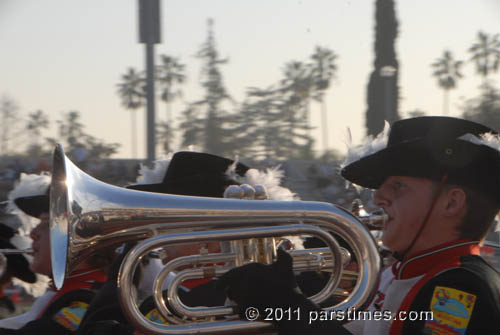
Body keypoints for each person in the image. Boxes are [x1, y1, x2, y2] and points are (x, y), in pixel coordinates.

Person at [217, 116, 500, 334]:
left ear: (451, 204)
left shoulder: (459, 288)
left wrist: (288, 305)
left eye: (398, 186)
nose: (378, 197)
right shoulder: (395, 275)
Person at [77, 150, 298, 334]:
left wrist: (122, 271)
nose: (155, 233)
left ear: (208, 236)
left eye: (168, 220)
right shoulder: (176, 299)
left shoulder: (179, 305)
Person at [0, 173, 113, 335]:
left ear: (79, 236)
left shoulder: (84, 302)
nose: (33, 233)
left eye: (46, 223)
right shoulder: (67, 294)